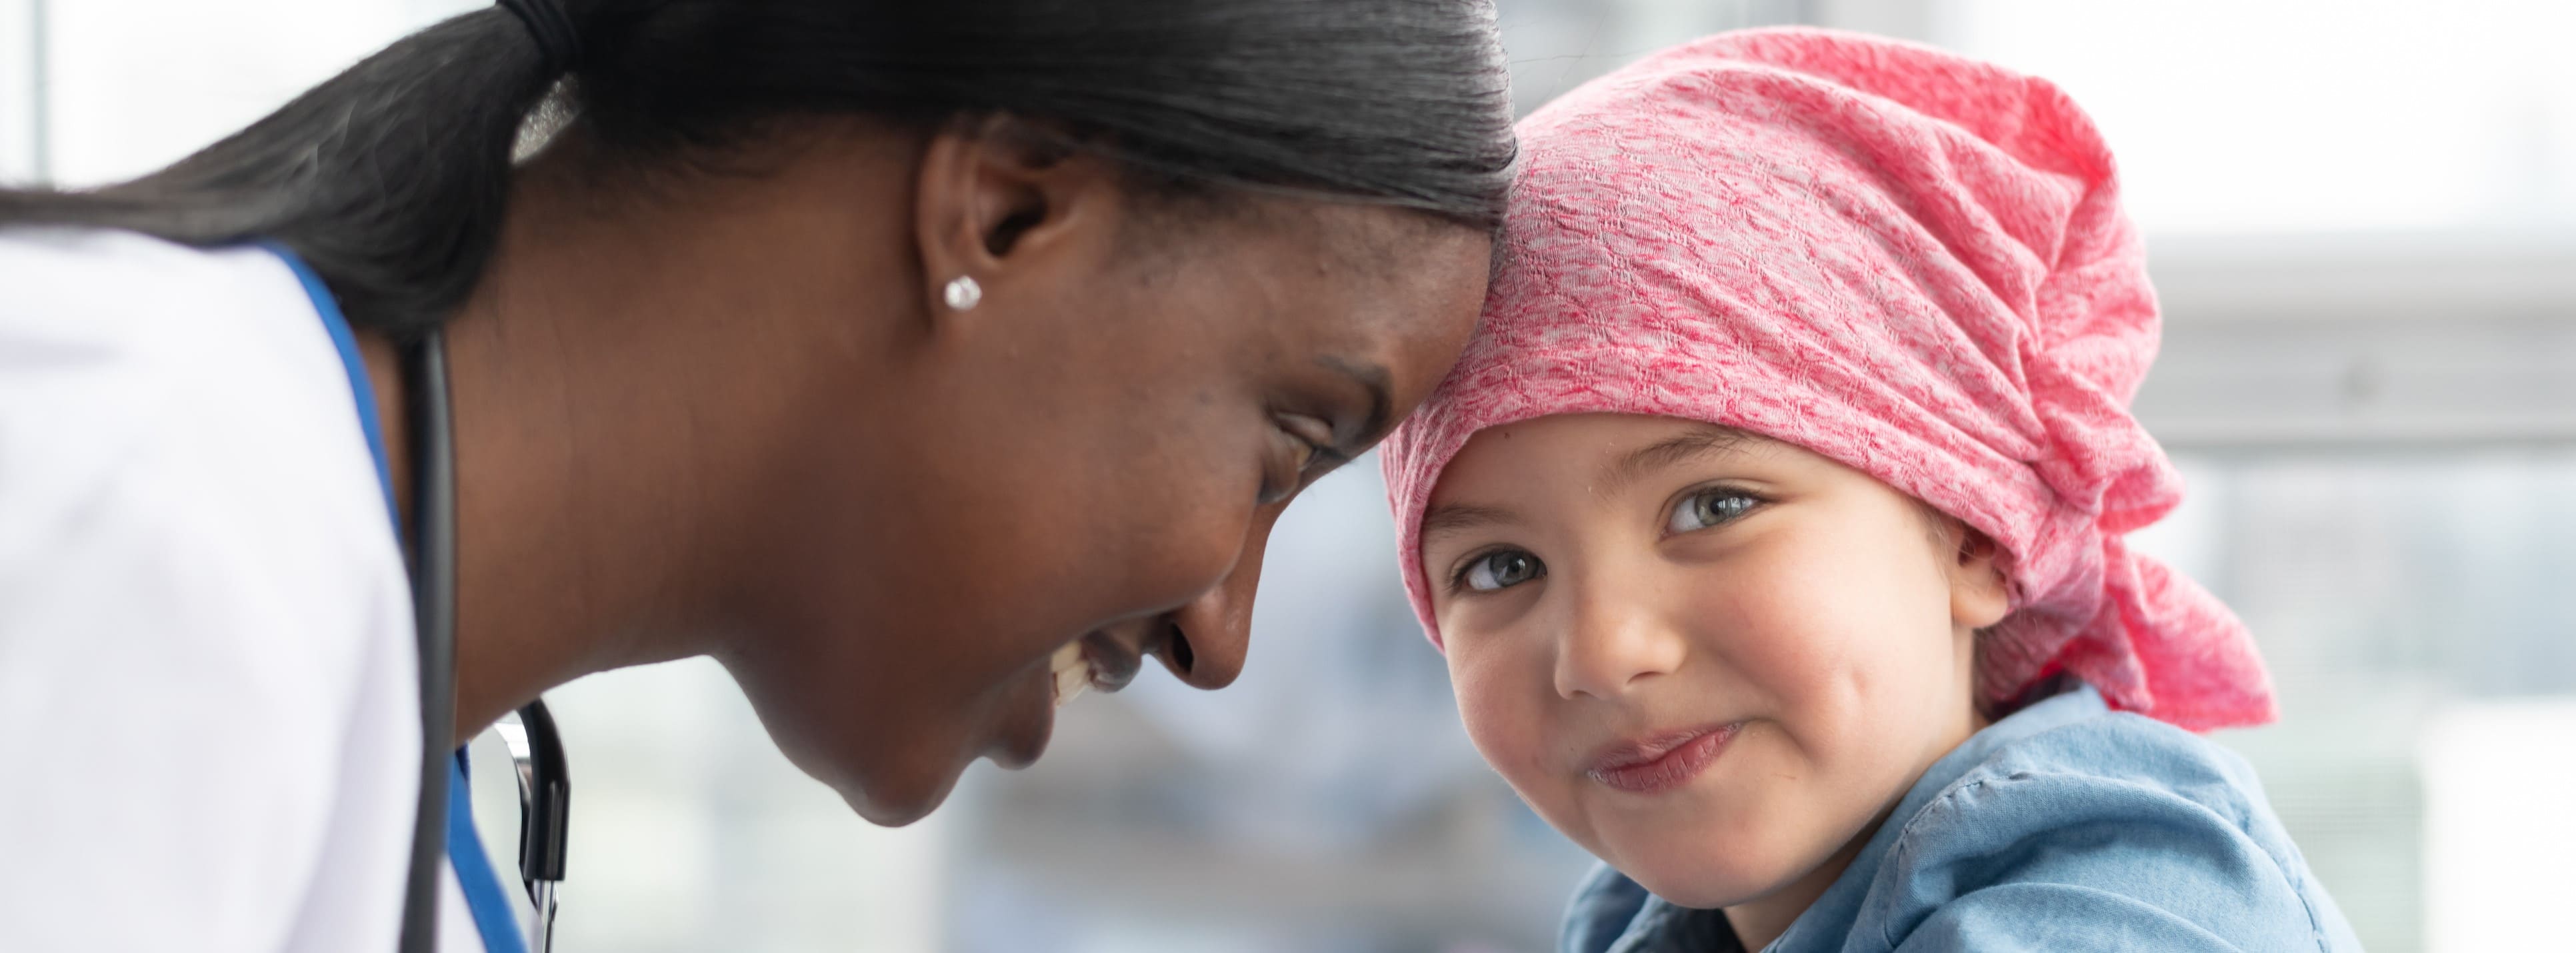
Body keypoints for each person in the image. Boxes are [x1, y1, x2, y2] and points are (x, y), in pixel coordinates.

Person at [0, 1, 1515, 950]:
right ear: (1002, 215)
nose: (1220, 636)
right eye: (1288, 439)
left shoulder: (320, 634)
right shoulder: (144, 508)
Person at [1377, 28, 2363, 952]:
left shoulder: (2130, 899)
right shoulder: (1645, 915)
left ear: (1975, 532)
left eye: (1713, 507)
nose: (1602, 651)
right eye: (1500, 567)